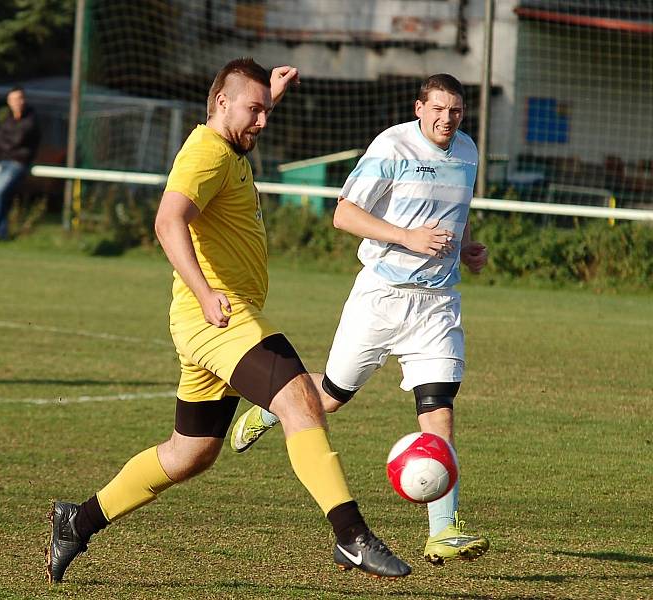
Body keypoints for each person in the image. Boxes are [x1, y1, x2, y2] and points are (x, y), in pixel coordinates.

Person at [46, 57, 412, 584]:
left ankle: (75, 522)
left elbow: (241, 115)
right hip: (219, 318)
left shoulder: (229, 143)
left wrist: (268, 94)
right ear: (221, 103)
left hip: (211, 323)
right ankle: (352, 537)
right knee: (300, 399)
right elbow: (167, 220)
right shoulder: (206, 153)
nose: (262, 121)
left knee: (190, 453)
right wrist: (205, 291)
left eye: (266, 111)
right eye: (254, 111)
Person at [229, 73, 491, 566]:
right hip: (381, 296)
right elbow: (344, 214)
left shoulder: (468, 150)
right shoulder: (391, 146)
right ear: (419, 108)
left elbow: (456, 210)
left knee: (438, 412)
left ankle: (443, 531)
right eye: (437, 109)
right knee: (328, 398)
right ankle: (272, 406)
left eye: (455, 111)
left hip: (437, 305)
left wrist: (468, 245)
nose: (446, 119)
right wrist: (408, 238)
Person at [0, 86, 40, 241]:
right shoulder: (7, 118)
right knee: (3, 197)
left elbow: (17, 139)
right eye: (13, 99)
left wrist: (5, 143)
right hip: (3, 161)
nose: (17, 102)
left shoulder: (31, 118)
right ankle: (1, 233)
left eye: (19, 98)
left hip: (18, 162)